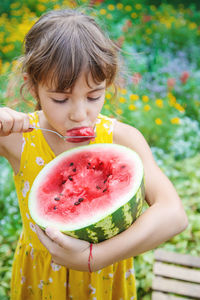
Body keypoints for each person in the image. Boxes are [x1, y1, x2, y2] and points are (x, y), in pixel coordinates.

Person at [0, 8, 188, 300]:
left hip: (105, 279)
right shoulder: (17, 139)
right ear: (32, 86)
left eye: (93, 96)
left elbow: (174, 215)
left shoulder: (122, 139)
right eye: (60, 99)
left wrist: (97, 256)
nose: (80, 114)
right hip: (39, 280)